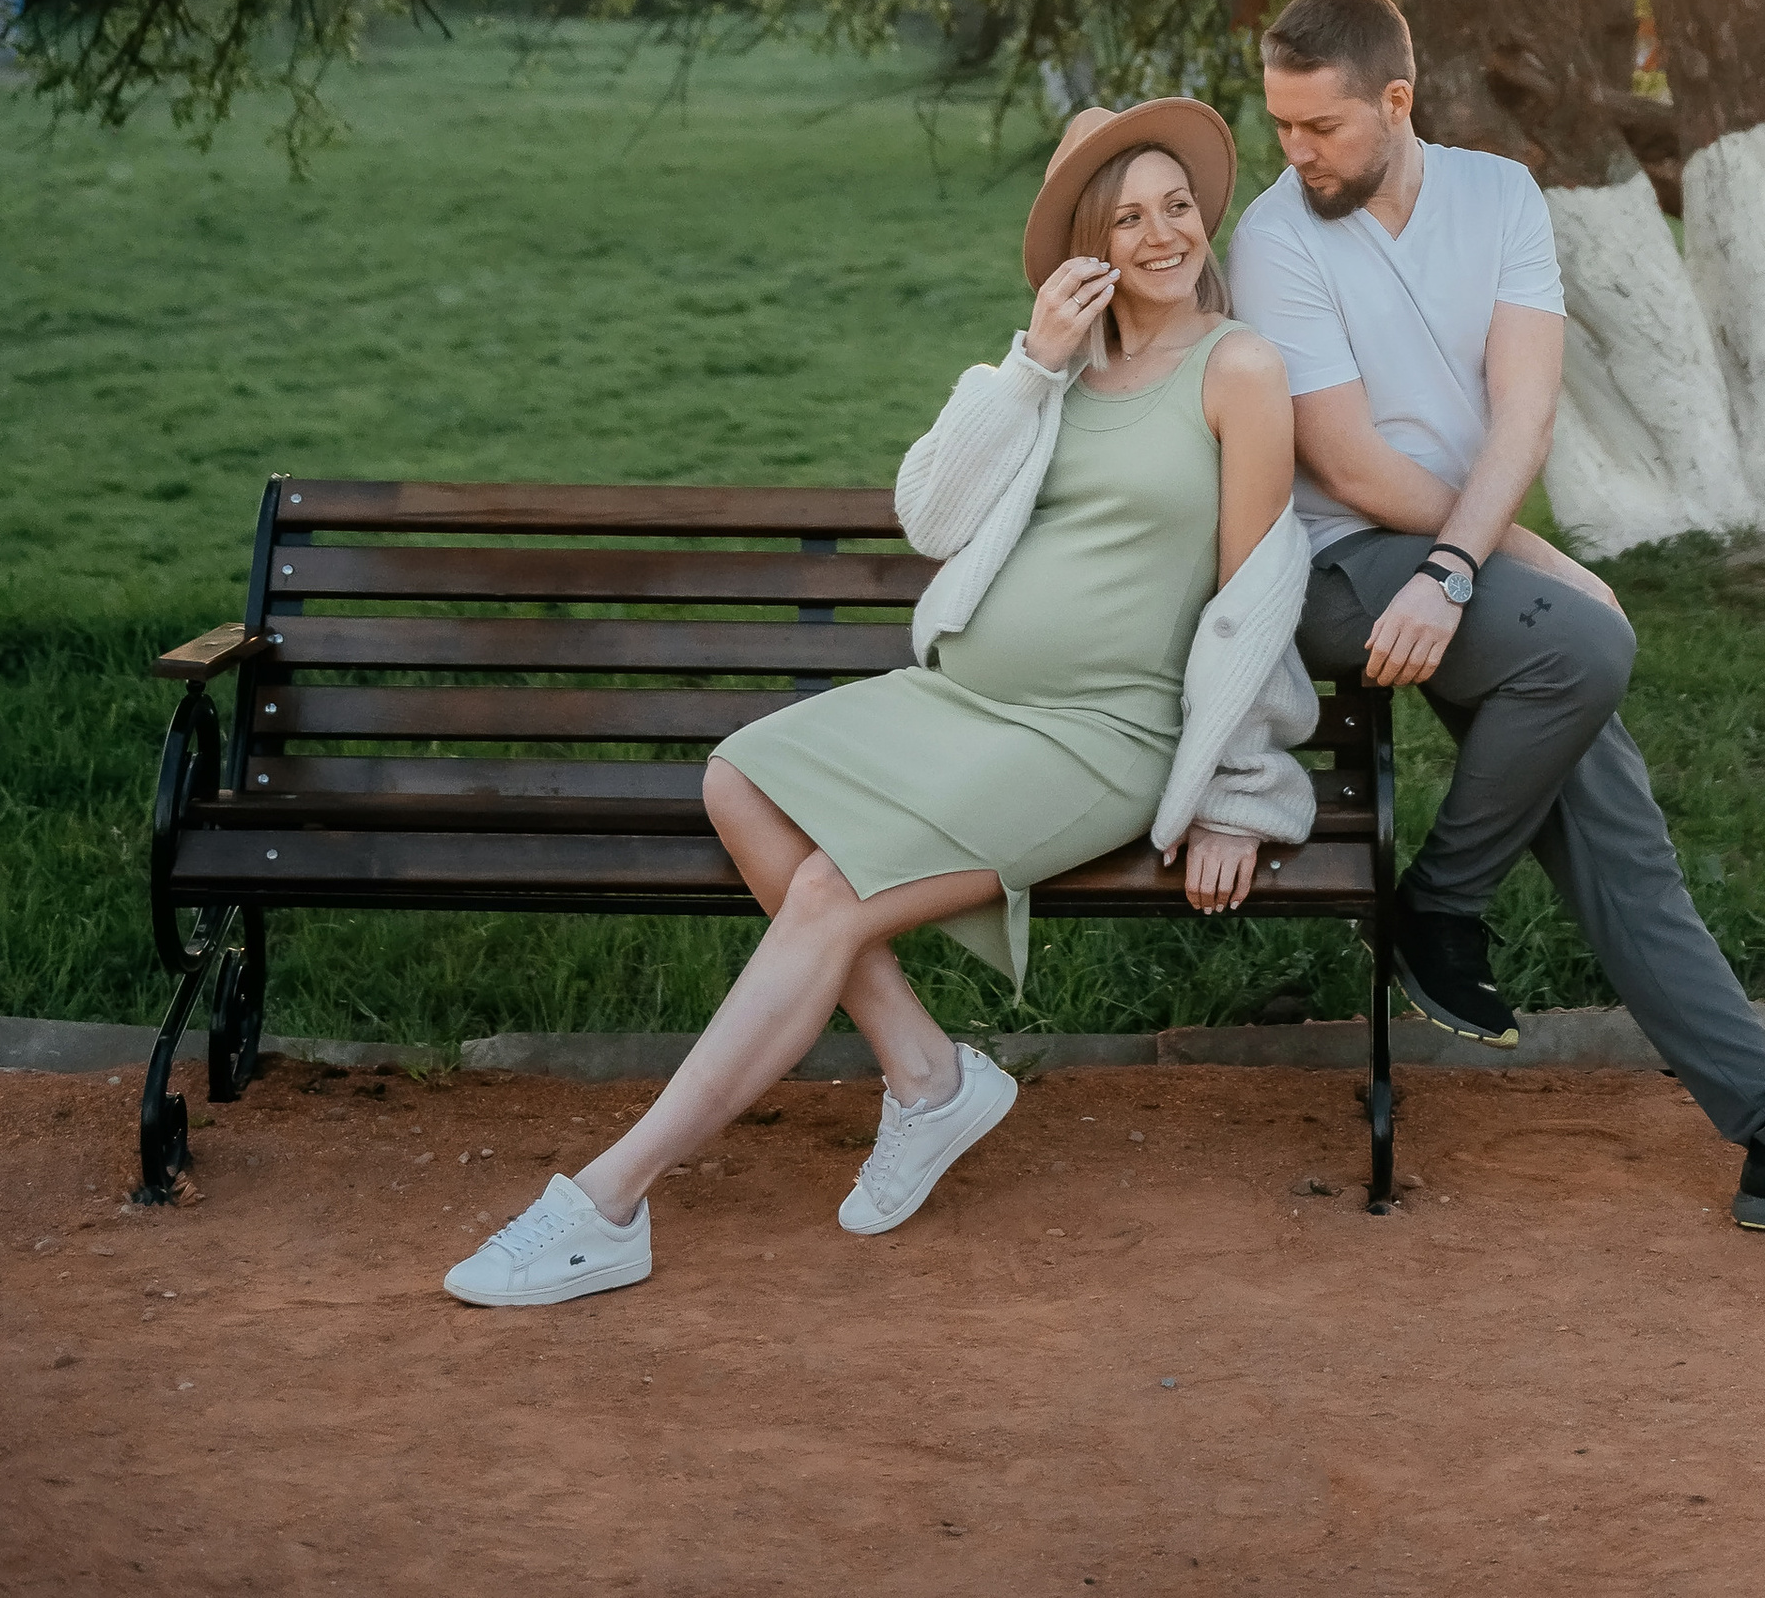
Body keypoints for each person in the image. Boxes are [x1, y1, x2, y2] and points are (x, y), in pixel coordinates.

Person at [446, 98, 1316, 1305]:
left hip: (1098, 737)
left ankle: (607, 1199)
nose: (1160, 233)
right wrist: (1029, 364)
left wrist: (1238, 793)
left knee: (826, 892)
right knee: (740, 775)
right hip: (954, 700)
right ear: (1086, 240)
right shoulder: (1046, 370)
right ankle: (925, 1074)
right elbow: (932, 517)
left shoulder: (1242, 366)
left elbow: (1257, 591)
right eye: (1126, 215)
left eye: (1176, 204)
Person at [1230, 0, 1765, 1239]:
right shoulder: (1276, 233)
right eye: (1280, 126)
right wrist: (1501, 559)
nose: (1296, 155)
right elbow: (1347, 466)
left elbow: (1527, 412)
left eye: (1322, 128)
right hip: (1339, 566)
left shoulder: (1498, 198)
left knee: (1623, 840)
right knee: (1586, 637)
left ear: (1397, 101)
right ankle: (1441, 911)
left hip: (1452, 558)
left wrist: (1467, 561)